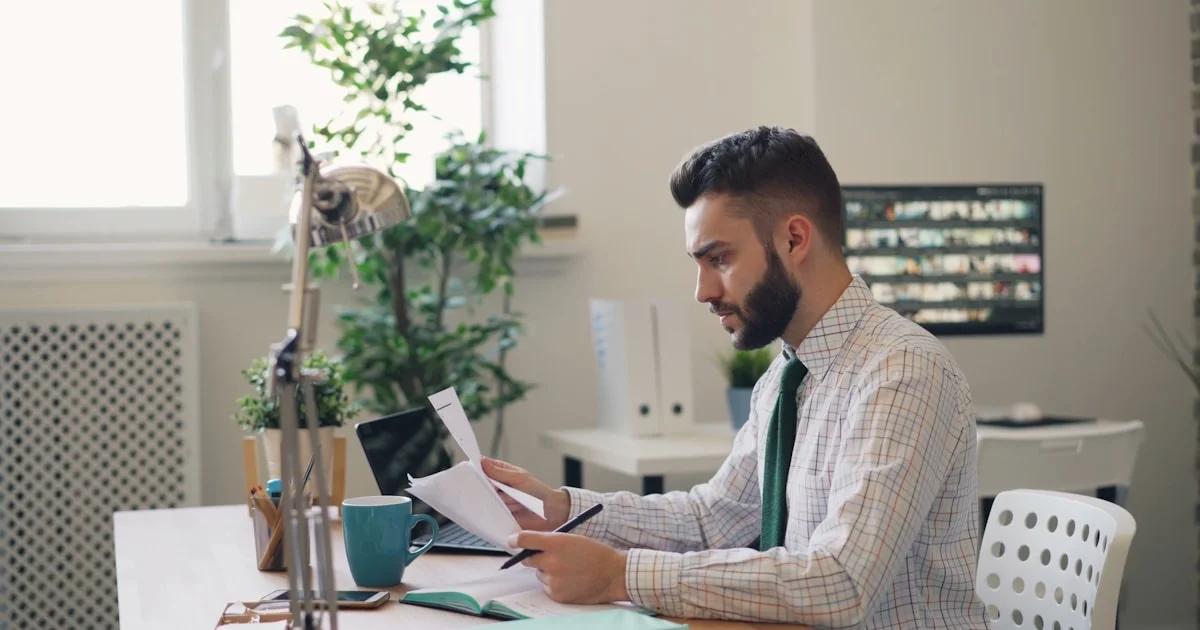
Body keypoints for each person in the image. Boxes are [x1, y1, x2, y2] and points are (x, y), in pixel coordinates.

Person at [482, 126, 987, 628]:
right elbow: (714, 518)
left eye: (719, 259)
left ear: (794, 238)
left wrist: (621, 575)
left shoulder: (901, 371)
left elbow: (842, 582)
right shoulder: (787, 376)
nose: (703, 291)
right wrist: (561, 506)